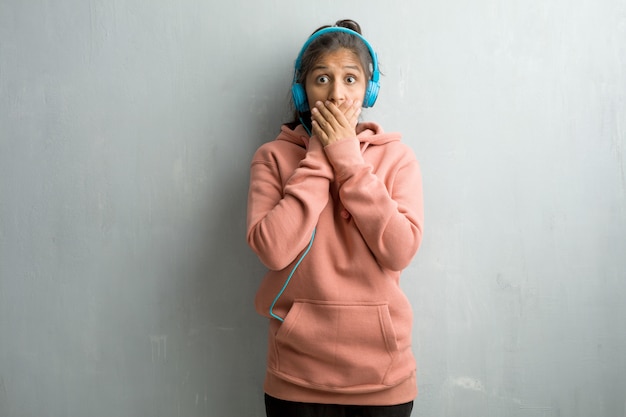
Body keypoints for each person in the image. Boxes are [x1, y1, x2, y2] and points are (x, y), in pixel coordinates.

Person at [246, 19, 424, 417]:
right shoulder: (272, 158)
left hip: (384, 382)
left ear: (369, 90)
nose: (337, 93)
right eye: (322, 79)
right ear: (302, 90)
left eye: (350, 79)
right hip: (296, 380)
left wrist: (348, 160)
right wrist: (318, 157)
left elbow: (399, 250)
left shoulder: (398, 159)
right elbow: (273, 251)